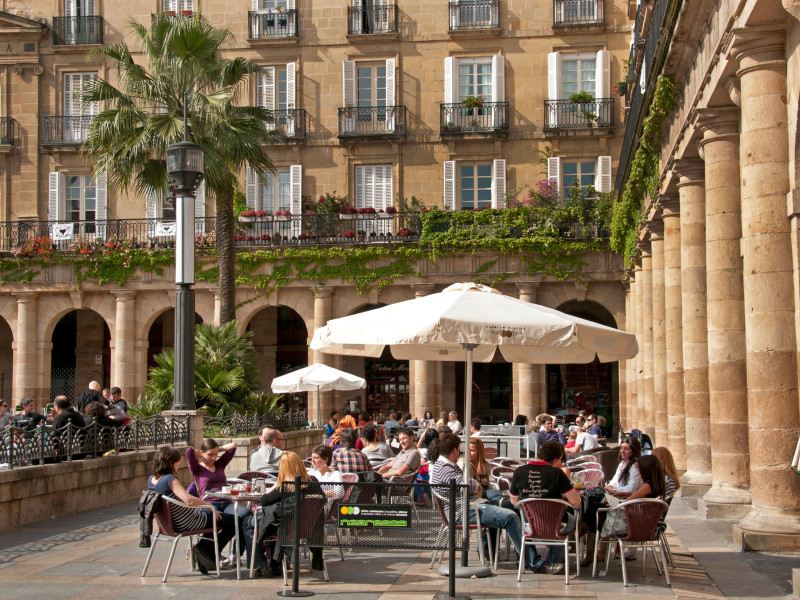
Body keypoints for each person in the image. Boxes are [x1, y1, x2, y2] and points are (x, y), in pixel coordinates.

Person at [431, 434, 535, 571]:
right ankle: (532, 561)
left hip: (469, 505)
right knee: (510, 517)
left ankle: (518, 554)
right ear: (455, 450)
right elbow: (470, 485)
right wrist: (474, 484)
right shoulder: (445, 469)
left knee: (514, 507)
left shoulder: (443, 466)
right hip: (463, 511)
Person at [148, 446, 237, 575]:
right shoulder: (170, 480)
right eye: (178, 460)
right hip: (187, 522)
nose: (179, 463)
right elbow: (189, 500)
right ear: (171, 462)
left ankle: (205, 552)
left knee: (217, 519)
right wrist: (209, 505)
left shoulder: (152, 480)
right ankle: (205, 550)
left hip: (168, 524)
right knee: (235, 520)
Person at [509, 441, 582, 574]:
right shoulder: (557, 473)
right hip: (555, 524)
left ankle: (543, 562)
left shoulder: (519, 471)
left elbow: (514, 501)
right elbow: (576, 502)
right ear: (555, 460)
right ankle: (554, 561)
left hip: (529, 524)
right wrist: (560, 499)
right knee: (572, 520)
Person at [259, 451, 326, 573]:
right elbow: (323, 498)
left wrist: (275, 485)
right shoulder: (313, 481)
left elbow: (263, 501)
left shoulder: (286, 487)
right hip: (310, 528)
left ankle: (261, 561)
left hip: (289, 529)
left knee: (252, 523)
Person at [307, 444, 344, 509]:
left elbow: (339, 493)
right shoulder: (311, 473)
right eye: (312, 458)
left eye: (316, 458)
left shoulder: (335, 474)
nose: (312, 461)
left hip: (325, 508)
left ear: (326, 459)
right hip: (310, 507)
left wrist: (318, 492)